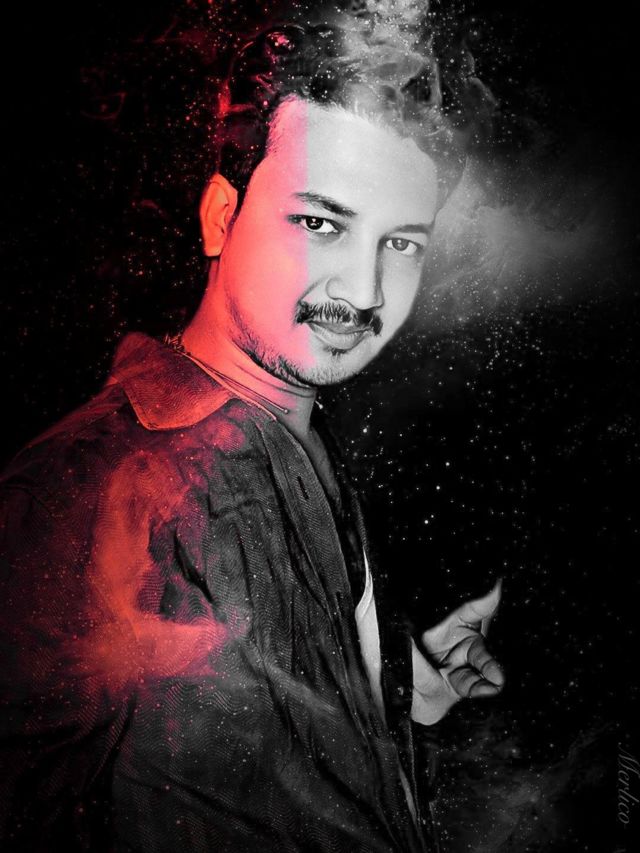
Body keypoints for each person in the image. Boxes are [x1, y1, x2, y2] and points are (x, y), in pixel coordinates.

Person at [0, 10, 504, 852]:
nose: (365, 290)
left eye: (401, 242)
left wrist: (396, 686)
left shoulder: (302, 439)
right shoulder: (82, 487)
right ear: (219, 216)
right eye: (320, 223)